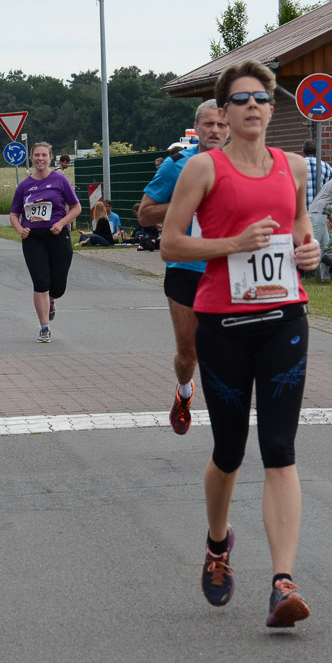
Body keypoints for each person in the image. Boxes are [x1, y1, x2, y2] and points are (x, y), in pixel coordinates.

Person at [159, 59, 320, 629]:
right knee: (228, 452)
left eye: (262, 98)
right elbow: (169, 242)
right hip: (223, 323)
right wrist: (232, 244)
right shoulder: (204, 167)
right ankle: (217, 543)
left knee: (279, 447)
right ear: (223, 112)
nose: (254, 106)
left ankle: (283, 582)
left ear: (272, 110)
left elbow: (301, 230)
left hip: (284, 318)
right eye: (242, 99)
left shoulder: (294, 167)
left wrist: (309, 252)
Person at [138, 99, 228, 434]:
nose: (215, 131)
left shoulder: (242, 166)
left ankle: (226, 420)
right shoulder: (176, 165)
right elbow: (145, 213)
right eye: (209, 124)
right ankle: (184, 392)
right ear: (197, 128)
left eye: (221, 125)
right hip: (185, 268)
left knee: (225, 353)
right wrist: (185, 202)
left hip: (227, 268)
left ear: (230, 128)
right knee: (189, 356)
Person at [11, 142, 82, 343]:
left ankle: (52, 299)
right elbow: (14, 214)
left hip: (57, 235)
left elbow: (76, 208)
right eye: (37, 155)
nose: (40, 158)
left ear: (50, 158)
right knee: (41, 282)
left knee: (57, 287)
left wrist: (61, 223)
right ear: (31, 158)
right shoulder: (24, 186)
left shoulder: (60, 180)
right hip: (33, 238)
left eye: (44, 155)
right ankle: (44, 327)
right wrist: (20, 229)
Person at [301, 140, 332, 212]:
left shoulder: (297, 165)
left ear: (303, 151)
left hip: (301, 211)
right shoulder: (326, 166)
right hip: (319, 211)